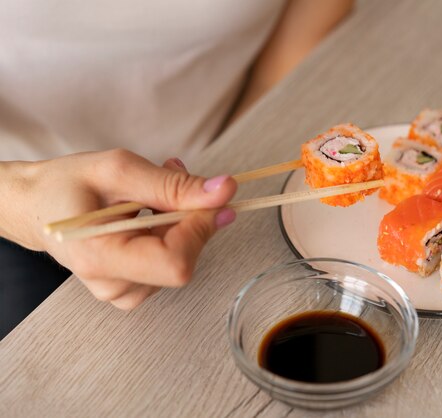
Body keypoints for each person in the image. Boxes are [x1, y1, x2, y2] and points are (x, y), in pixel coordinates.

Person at [0, 0, 354, 338]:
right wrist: (23, 194)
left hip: (222, 167)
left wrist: (231, 149)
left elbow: (300, 36)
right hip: (17, 196)